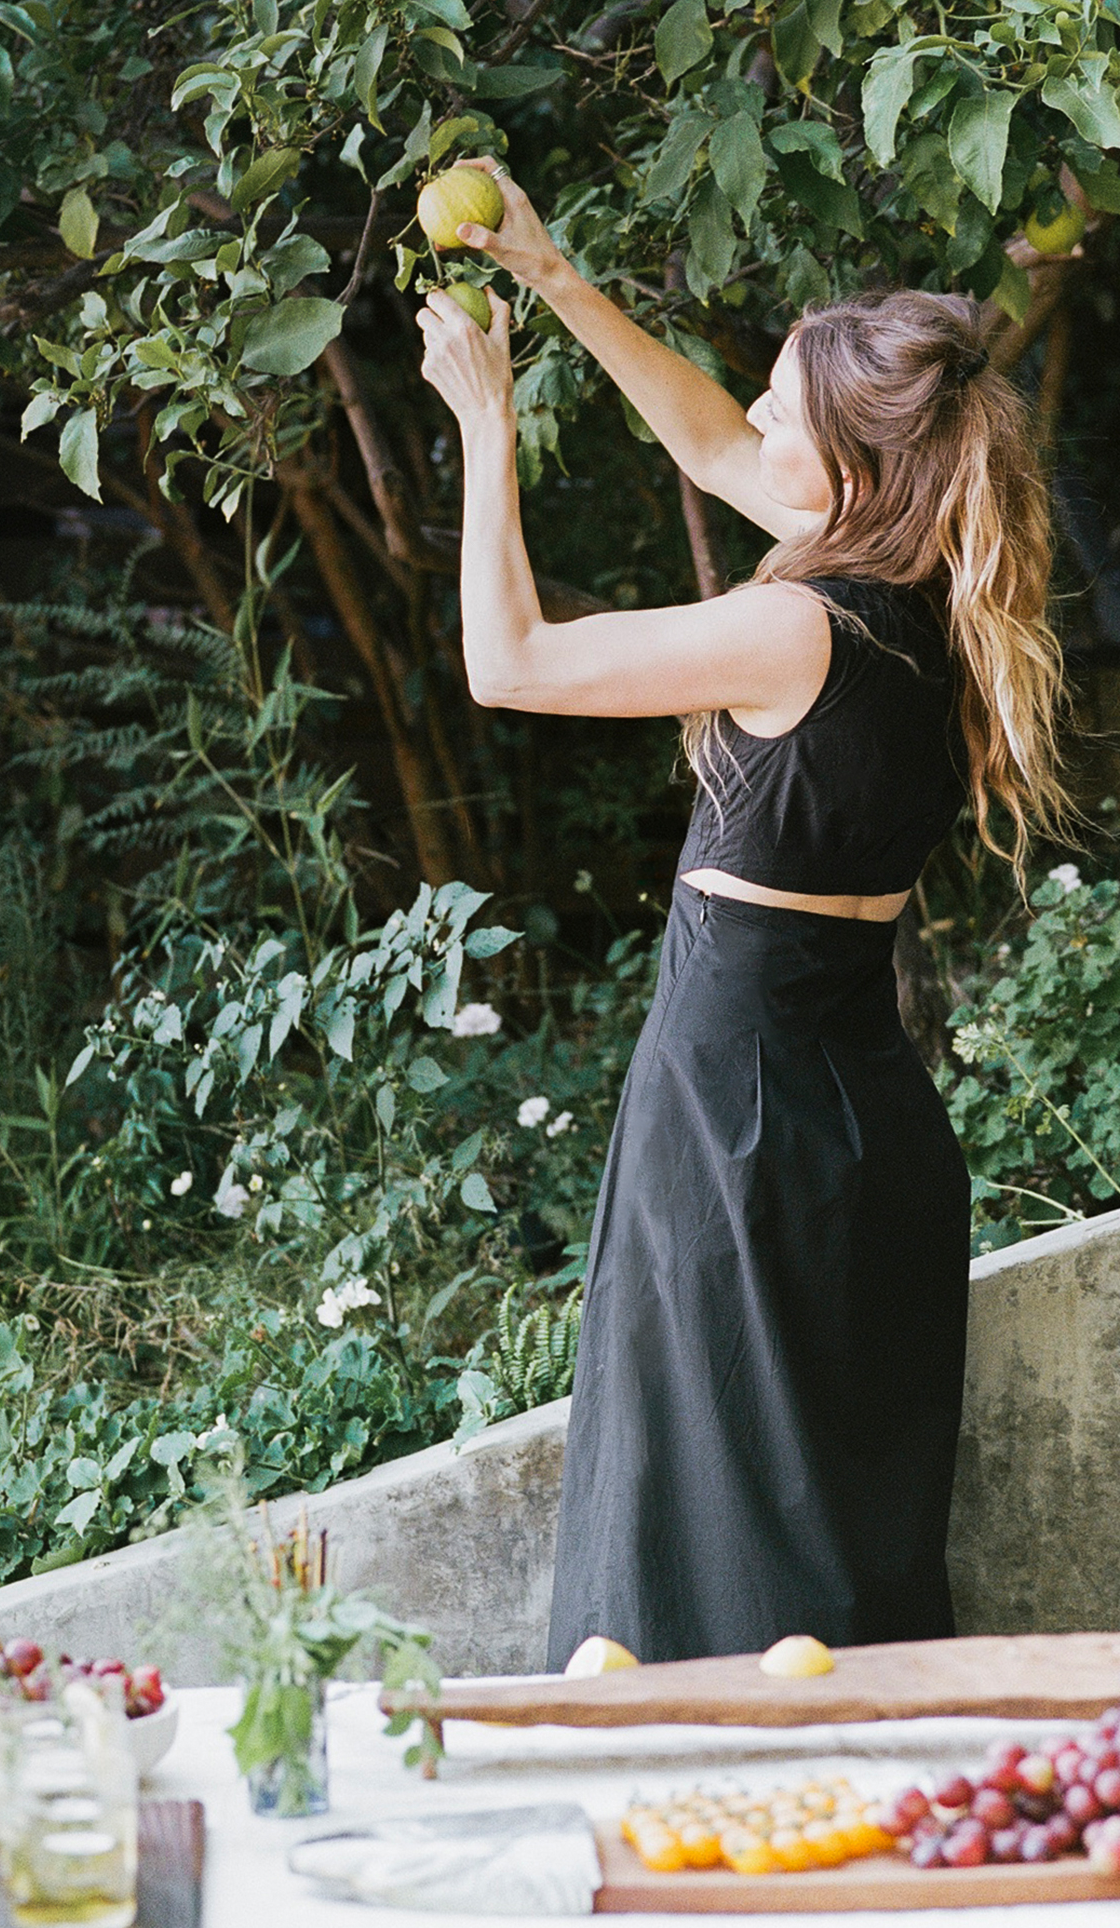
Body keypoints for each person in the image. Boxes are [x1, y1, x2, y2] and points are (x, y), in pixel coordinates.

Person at [414, 167, 1069, 1665]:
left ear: (846, 476)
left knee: (698, 1537)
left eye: (787, 414)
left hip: (734, 1114)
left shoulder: (792, 630)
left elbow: (507, 661)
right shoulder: (934, 613)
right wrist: (556, 269)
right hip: (867, 1123)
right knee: (830, 1561)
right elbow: (717, 443)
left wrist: (488, 422)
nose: (755, 432)